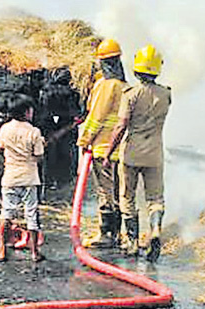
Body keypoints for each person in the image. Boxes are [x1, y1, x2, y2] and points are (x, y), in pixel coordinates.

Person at [105, 45, 171, 261]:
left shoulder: (130, 94)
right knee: (155, 198)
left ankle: (132, 242)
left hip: (132, 153)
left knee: (128, 197)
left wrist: (108, 152)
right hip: (154, 154)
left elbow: (121, 125)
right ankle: (155, 230)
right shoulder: (166, 94)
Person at [76, 38, 128, 248]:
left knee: (106, 193)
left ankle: (107, 236)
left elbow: (96, 116)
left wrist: (84, 140)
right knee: (119, 192)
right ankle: (117, 234)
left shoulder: (106, 86)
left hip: (103, 150)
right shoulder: (125, 86)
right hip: (120, 150)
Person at [0, 98, 46, 263]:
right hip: (30, 178)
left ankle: (2, 250)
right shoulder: (34, 132)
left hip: (10, 177)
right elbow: (39, 157)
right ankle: (35, 253)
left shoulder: (5, 129)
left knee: (6, 213)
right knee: (31, 214)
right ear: (26, 112)